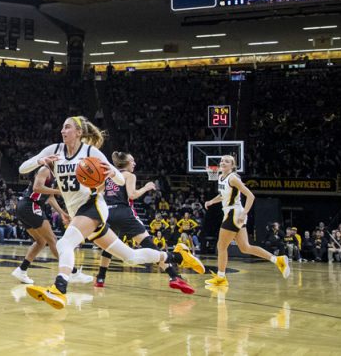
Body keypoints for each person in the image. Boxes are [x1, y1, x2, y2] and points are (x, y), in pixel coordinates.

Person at [17, 116, 204, 310]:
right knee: (131, 257)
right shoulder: (54, 150)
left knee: (65, 243)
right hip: (77, 211)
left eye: (67, 127)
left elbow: (121, 181)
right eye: (62, 128)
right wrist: (41, 160)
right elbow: (22, 168)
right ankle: (178, 256)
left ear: (79, 132)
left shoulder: (90, 152)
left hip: (94, 205)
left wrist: (112, 173)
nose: (63, 131)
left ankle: (59, 288)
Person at [93, 151, 192, 292]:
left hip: (108, 213)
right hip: (123, 212)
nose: (134, 163)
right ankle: (174, 276)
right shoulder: (129, 175)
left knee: (109, 248)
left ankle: (100, 278)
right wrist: (146, 187)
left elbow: (98, 192)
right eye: (132, 161)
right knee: (149, 245)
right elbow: (132, 195)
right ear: (126, 163)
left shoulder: (109, 176)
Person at [202, 155, 291, 288]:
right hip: (232, 213)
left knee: (221, 246)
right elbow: (223, 195)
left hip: (234, 213)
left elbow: (250, 196)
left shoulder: (233, 178)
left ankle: (221, 277)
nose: (223, 162)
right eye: (221, 160)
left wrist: (244, 213)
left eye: (227, 161)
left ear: (232, 166)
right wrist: (211, 201)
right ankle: (277, 260)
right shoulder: (221, 177)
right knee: (245, 247)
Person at [10, 163, 88, 285]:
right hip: (30, 205)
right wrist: (60, 191)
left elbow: (50, 198)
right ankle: (72, 272)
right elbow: (37, 188)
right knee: (52, 239)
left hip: (26, 206)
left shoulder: (54, 174)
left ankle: (21, 270)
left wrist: (62, 213)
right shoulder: (45, 169)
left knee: (41, 242)